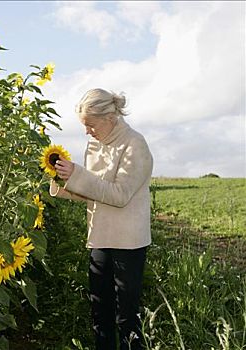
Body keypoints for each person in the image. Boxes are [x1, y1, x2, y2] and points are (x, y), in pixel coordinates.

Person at [49, 88, 153, 350]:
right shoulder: (94, 144)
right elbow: (93, 193)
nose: (87, 132)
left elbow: (119, 195)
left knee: (127, 317)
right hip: (100, 237)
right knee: (100, 312)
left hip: (128, 242)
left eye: (90, 125)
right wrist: (61, 181)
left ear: (109, 117)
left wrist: (78, 175)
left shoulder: (135, 144)